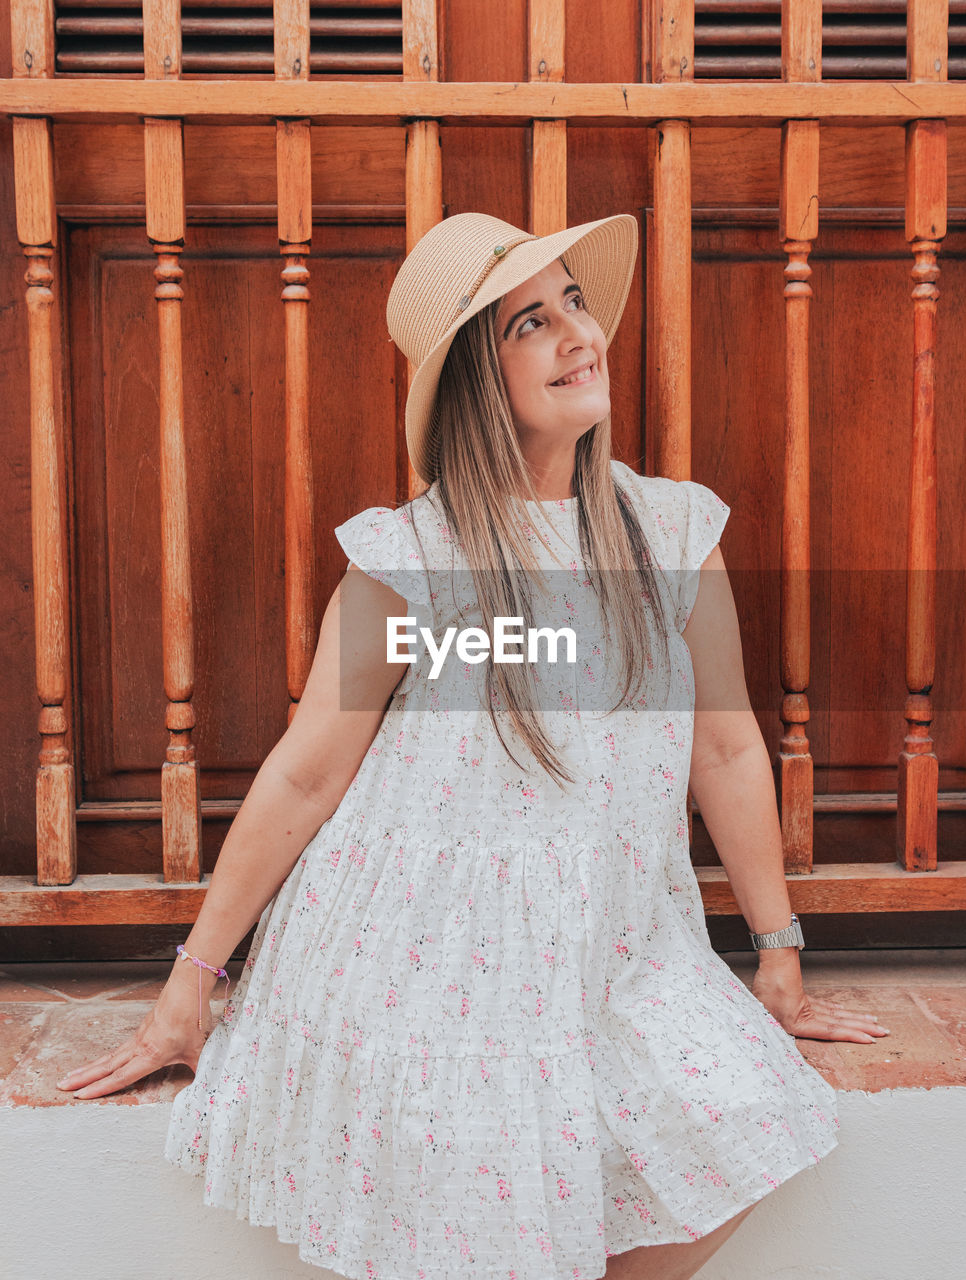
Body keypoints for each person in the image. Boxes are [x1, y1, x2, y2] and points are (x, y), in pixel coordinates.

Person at [56, 211, 888, 1280]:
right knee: (484, 1209)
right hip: (422, 951)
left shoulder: (670, 533)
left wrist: (779, 951)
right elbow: (308, 771)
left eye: (575, 303)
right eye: (530, 324)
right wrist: (192, 980)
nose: (578, 335)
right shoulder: (415, 557)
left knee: (748, 1113)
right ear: (473, 385)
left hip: (612, 947)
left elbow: (724, 749)